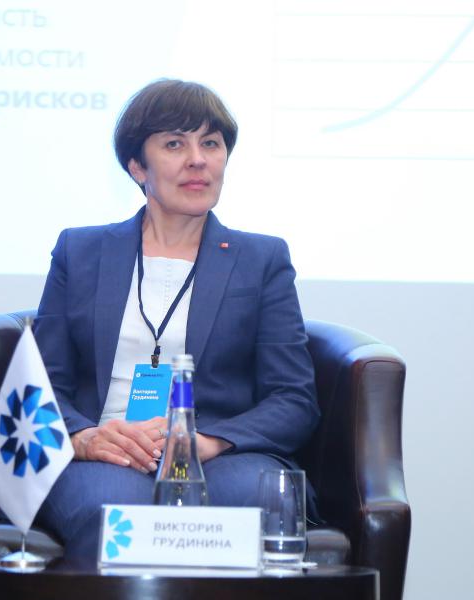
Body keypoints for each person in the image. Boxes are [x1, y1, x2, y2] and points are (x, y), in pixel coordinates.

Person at [32, 79, 320, 560]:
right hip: (107, 447)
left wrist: (205, 442)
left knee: (245, 503)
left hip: (221, 453)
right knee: (115, 511)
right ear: (137, 167)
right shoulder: (80, 251)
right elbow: (42, 385)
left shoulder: (261, 259)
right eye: (174, 144)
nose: (198, 160)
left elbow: (293, 399)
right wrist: (84, 438)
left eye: (211, 143)